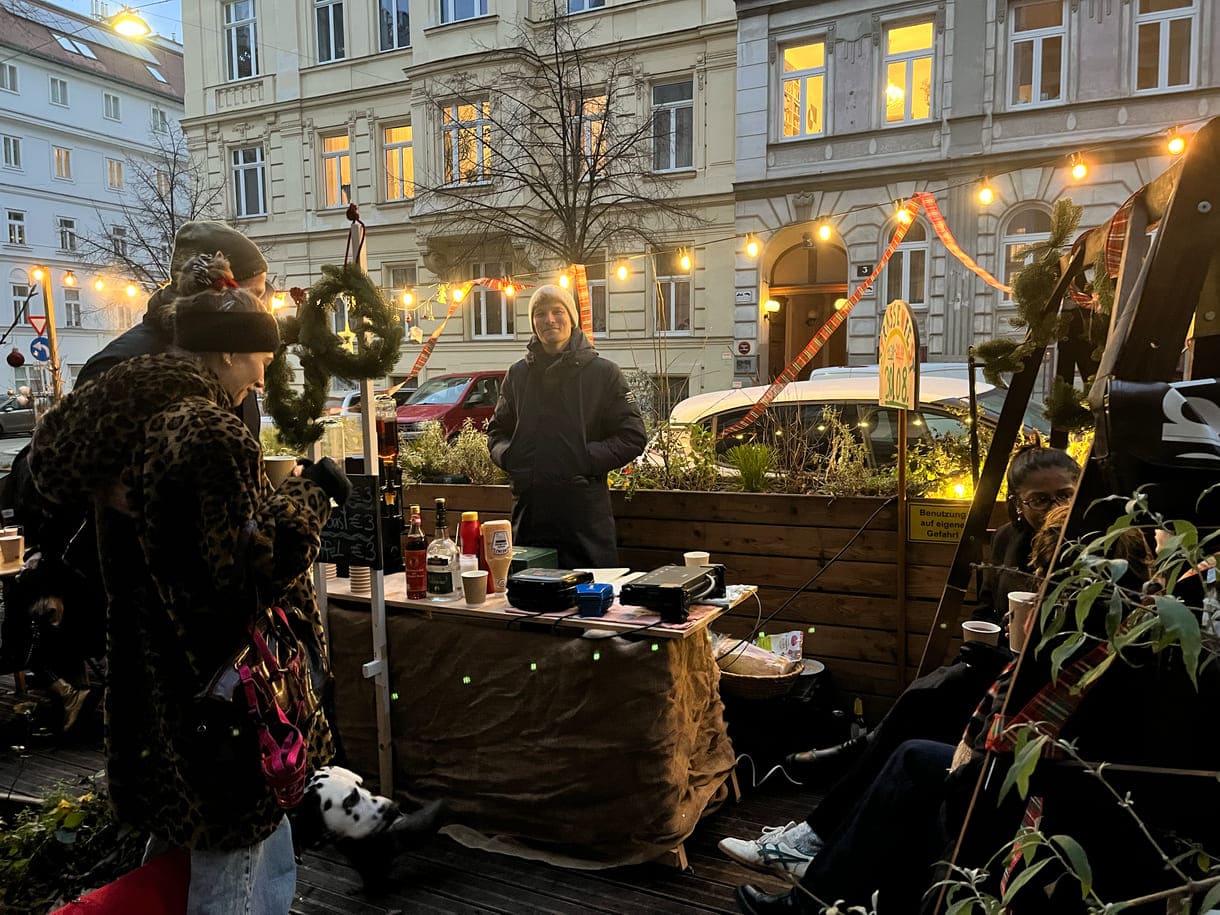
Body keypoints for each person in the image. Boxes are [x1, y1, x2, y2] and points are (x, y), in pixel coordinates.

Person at [28, 253, 350, 913]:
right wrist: (311, 500)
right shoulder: (204, 430)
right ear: (229, 351)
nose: (265, 370)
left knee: (205, 855)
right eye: (261, 356)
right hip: (221, 704)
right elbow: (232, 585)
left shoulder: (145, 407)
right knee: (231, 873)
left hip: (162, 685)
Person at [720, 443, 1081, 881]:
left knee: (924, 707)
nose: (1055, 508)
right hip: (1000, 667)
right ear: (1017, 504)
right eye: (1040, 500)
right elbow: (983, 613)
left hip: (1036, 693)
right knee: (926, 698)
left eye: (1066, 495)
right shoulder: (1006, 541)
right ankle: (819, 830)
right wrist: (998, 630)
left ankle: (820, 824)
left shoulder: (1086, 551)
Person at [0, 221, 273, 730]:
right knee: (161, 726)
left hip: (205, 580)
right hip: (143, 586)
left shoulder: (228, 353)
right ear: (219, 287)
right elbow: (62, 464)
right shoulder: (127, 365)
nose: (259, 307)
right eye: (253, 293)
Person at [487, 284, 646, 569]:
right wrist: (511, 457)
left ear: (571, 317)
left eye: (557, 311)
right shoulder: (518, 375)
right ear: (533, 323)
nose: (549, 320)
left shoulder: (603, 373)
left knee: (590, 607)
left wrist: (584, 459)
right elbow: (497, 433)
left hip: (583, 519)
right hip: (530, 515)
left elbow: (632, 436)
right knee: (527, 604)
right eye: (540, 314)